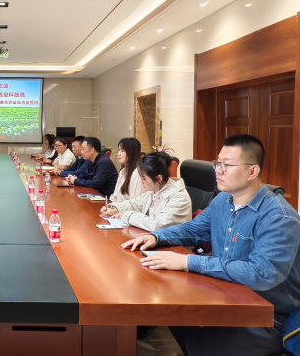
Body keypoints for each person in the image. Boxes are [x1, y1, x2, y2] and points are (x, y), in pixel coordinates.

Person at [122, 134, 300, 356]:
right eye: (217, 163)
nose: (218, 170)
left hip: (268, 315)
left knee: (198, 341)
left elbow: (261, 273)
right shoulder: (223, 200)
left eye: (227, 165)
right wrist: (157, 237)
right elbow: (194, 229)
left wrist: (189, 262)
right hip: (228, 297)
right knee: (174, 317)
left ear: (252, 171)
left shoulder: (278, 217)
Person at [102, 151, 191, 231]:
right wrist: (115, 208)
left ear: (159, 178)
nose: (141, 182)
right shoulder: (154, 191)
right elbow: (134, 204)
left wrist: (125, 215)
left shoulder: (180, 198)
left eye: (144, 178)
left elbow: (156, 224)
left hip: (172, 243)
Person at [109, 137, 144, 203]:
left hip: (128, 208)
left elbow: (134, 202)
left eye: (122, 151)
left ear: (132, 152)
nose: (118, 154)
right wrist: (110, 205)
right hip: (118, 207)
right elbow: (115, 195)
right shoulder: (123, 171)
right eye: (119, 150)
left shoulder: (137, 172)